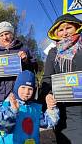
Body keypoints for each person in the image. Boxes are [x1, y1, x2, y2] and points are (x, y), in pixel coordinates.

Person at [39, 13, 82, 144]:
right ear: (56, 34)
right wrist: (47, 95)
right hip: (66, 113)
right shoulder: (53, 53)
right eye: (60, 30)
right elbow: (47, 79)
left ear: (76, 27)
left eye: (68, 28)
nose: (64, 33)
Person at [0, 21, 38, 110]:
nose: (5, 37)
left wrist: (26, 60)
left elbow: (34, 70)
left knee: (20, 122)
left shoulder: (23, 49)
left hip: (21, 97)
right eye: (1, 35)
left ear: (12, 34)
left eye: (7, 34)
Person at [0, 70, 59, 144]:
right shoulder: (7, 104)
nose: (26, 92)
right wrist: (12, 111)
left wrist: (51, 108)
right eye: (23, 87)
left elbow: (48, 123)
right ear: (16, 87)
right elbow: (1, 127)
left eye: (30, 89)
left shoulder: (35, 108)